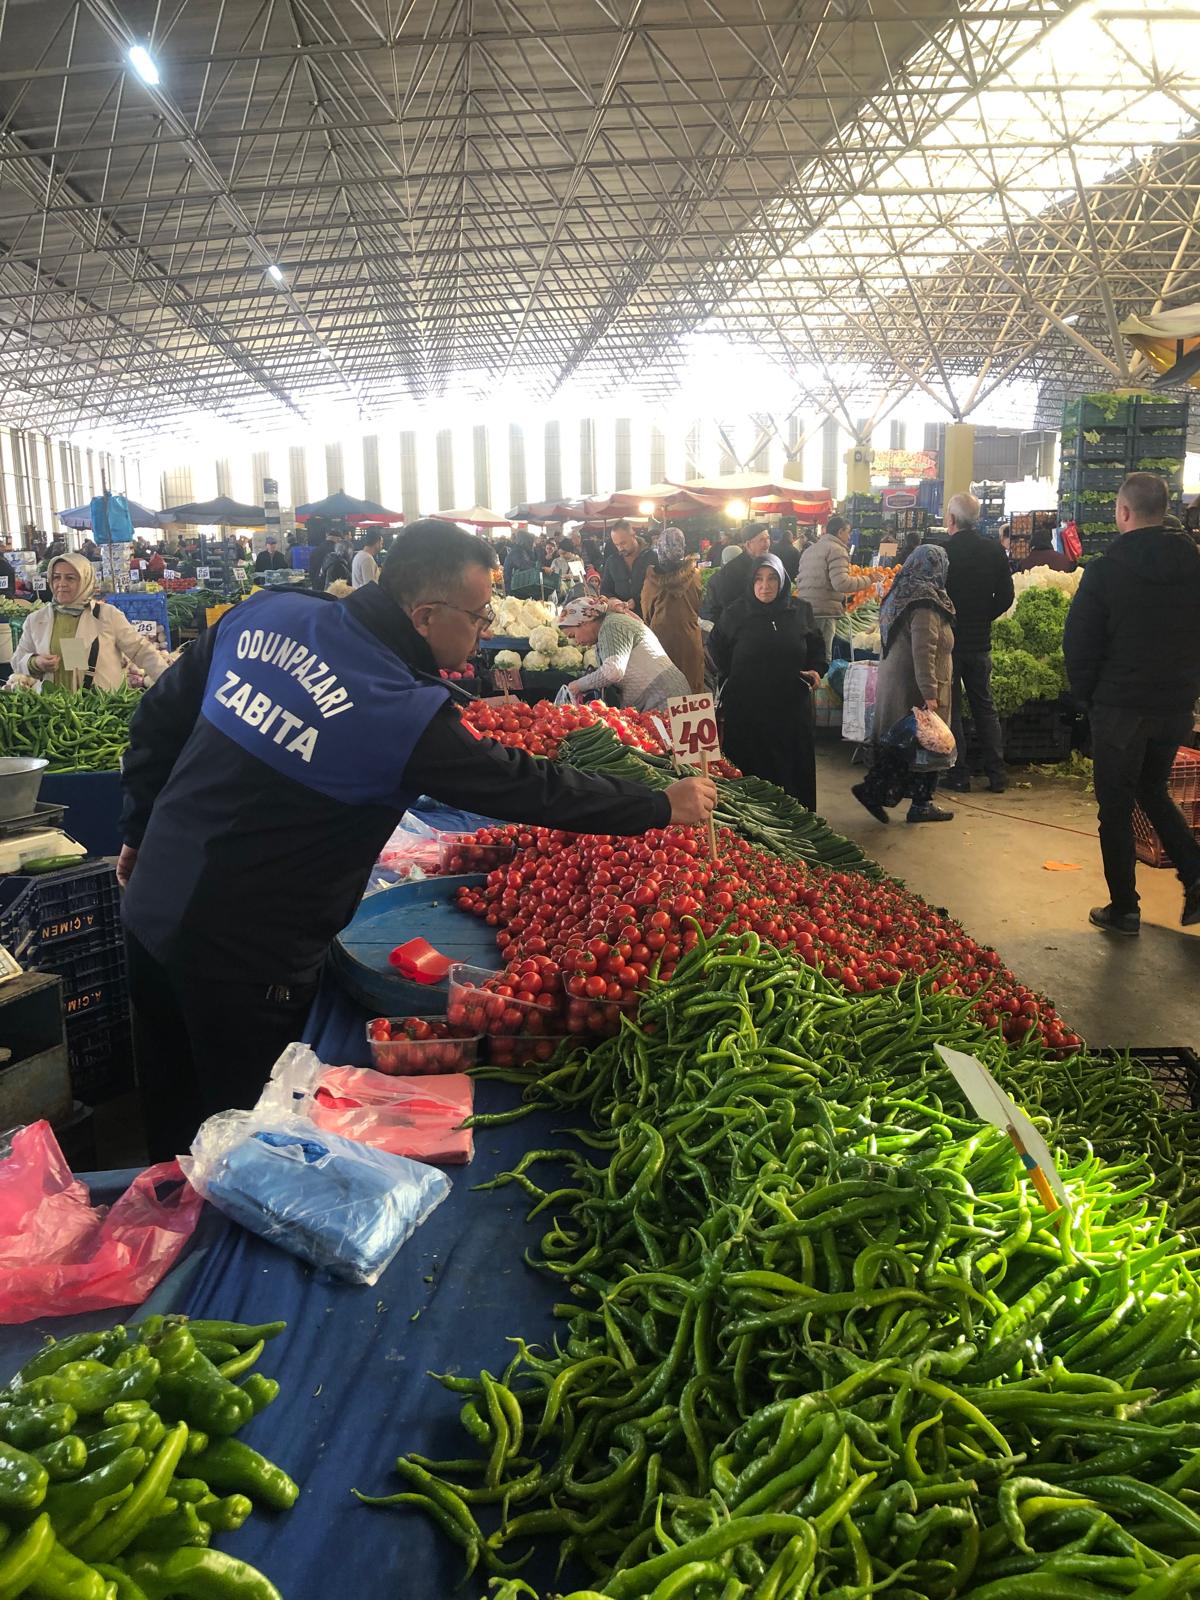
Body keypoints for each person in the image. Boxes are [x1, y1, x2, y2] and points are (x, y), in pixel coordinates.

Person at [118, 520, 716, 1161]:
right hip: (246, 958)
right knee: (235, 1149)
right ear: (427, 616)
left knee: (170, 1112)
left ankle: (162, 1225)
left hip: (152, 905)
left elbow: (159, 717)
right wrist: (657, 803)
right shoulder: (396, 711)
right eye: (480, 615)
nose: (485, 630)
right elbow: (526, 786)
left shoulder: (266, 613)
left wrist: (137, 831)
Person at [1063, 472, 1200, 935]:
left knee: (1116, 807)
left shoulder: (1107, 569)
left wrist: (1087, 698)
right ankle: (1196, 875)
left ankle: (1125, 907)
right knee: (1152, 790)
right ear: (1166, 510)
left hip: (1121, 707)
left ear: (1123, 512)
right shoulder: (1194, 563)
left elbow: (1079, 641)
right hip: (1176, 705)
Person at [851, 544, 957, 826]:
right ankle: (917, 802)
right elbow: (925, 650)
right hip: (915, 685)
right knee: (930, 742)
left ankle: (878, 791)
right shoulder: (925, 601)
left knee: (903, 744)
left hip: (898, 683)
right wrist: (930, 693)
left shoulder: (900, 591)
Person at [711, 554, 826, 809]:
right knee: (751, 775)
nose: (766, 585)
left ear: (782, 580)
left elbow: (817, 648)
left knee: (792, 775)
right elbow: (717, 649)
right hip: (747, 712)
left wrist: (817, 670)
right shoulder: (735, 613)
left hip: (791, 711)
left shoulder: (800, 611)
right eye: (759, 579)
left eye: (773, 578)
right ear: (751, 582)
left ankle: (797, 830)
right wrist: (737, 676)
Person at [942, 491, 1014, 795]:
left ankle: (960, 774)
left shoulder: (943, 552)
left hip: (950, 643)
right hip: (980, 642)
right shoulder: (994, 551)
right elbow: (1007, 597)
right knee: (985, 707)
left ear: (952, 520)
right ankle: (997, 774)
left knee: (954, 709)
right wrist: (984, 617)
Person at [12, 553, 168, 691]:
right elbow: (17, 659)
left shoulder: (107, 615)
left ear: (86, 580)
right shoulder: (36, 620)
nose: (62, 583)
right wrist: (35, 662)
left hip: (100, 710)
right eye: (56, 577)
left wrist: (173, 682)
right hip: (53, 708)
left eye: (70, 578)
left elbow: (141, 651)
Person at [558, 595, 689, 713]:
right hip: (663, 696)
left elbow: (613, 671)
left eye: (573, 635)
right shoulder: (608, 626)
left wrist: (579, 685)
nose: (575, 642)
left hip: (665, 697)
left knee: (672, 739)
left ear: (585, 622)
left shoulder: (612, 625)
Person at [795, 515, 874, 659]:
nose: (849, 537)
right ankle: (823, 680)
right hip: (825, 611)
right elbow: (841, 583)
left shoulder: (809, 550)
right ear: (839, 532)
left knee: (809, 652)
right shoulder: (837, 549)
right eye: (848, 532)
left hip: (806, 608)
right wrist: (869, 579)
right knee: (824, 654)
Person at [640, 527, 704, 691]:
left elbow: (646, 613)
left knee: (667, 693)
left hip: (661, 642)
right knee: (692, 691)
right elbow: (698, 605)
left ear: (659, 548)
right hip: (690, 641)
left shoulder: (652, 581)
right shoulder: (695, 574)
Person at [702, 526, 772, 629]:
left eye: (768, 538)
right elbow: (726, 608)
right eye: (762, 540)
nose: (767, 544)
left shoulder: (768, 564)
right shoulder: (732, 572)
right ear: (748, 544)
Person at [600, 521, 654, 614]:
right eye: (616, 545)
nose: (620, 548)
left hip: (648, 617)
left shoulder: (652, 557)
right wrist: (614, 601)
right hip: (621, 617)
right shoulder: (612, 561)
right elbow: (605, 589)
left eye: (623, 543)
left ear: (633, 535)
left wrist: (638, 600)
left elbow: (661, 589)